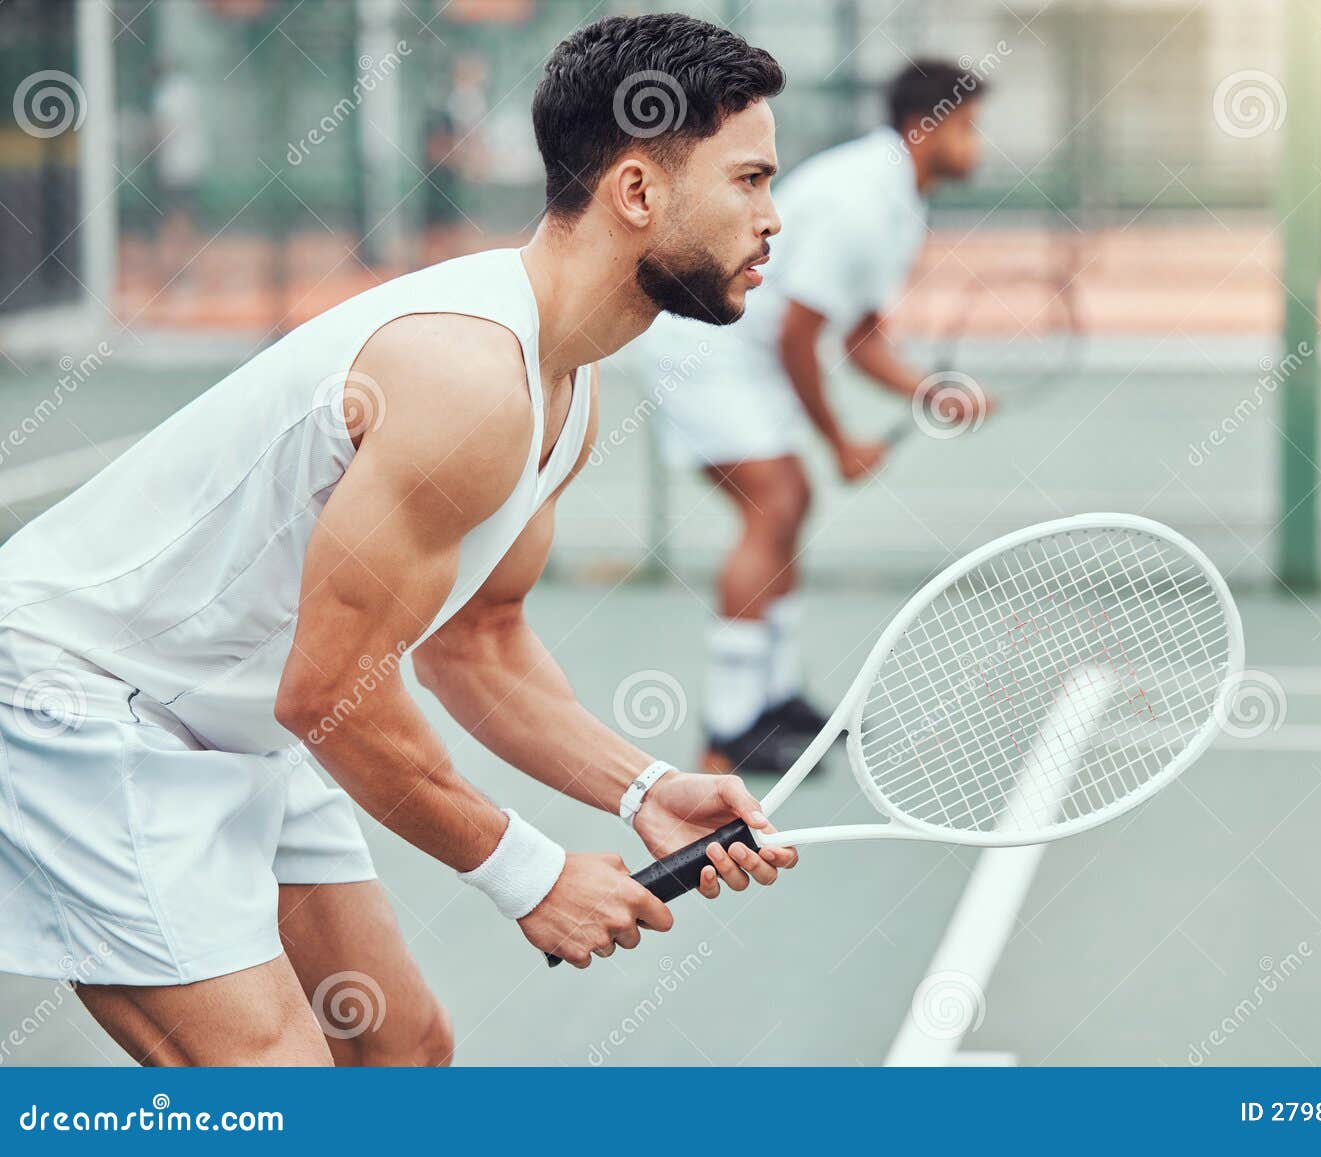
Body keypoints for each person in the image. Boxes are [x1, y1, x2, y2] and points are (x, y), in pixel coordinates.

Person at [0, 13, 793, 1067]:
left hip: (224, 712)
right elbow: (328, 693)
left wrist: (642, 788)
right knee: (272, 1087)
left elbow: (479, 642)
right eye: (749, 180)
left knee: (400, 1049)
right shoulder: (464, 379)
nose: (772, 217)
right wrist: (533, 871)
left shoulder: (565, 383)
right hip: (82, 694)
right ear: (638, 191)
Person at [639, 60, 991, 774]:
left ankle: (773, 698)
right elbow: (802, 335)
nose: (976, 144)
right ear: (925, 129)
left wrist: (930, 391)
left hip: (753, 353)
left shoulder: (903, 199)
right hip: (707, 348)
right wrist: (841, 443)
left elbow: (860, 337)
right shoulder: (859, 199)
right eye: (966, 127)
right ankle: (730, 727)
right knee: (774, 501)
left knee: (789, 501)